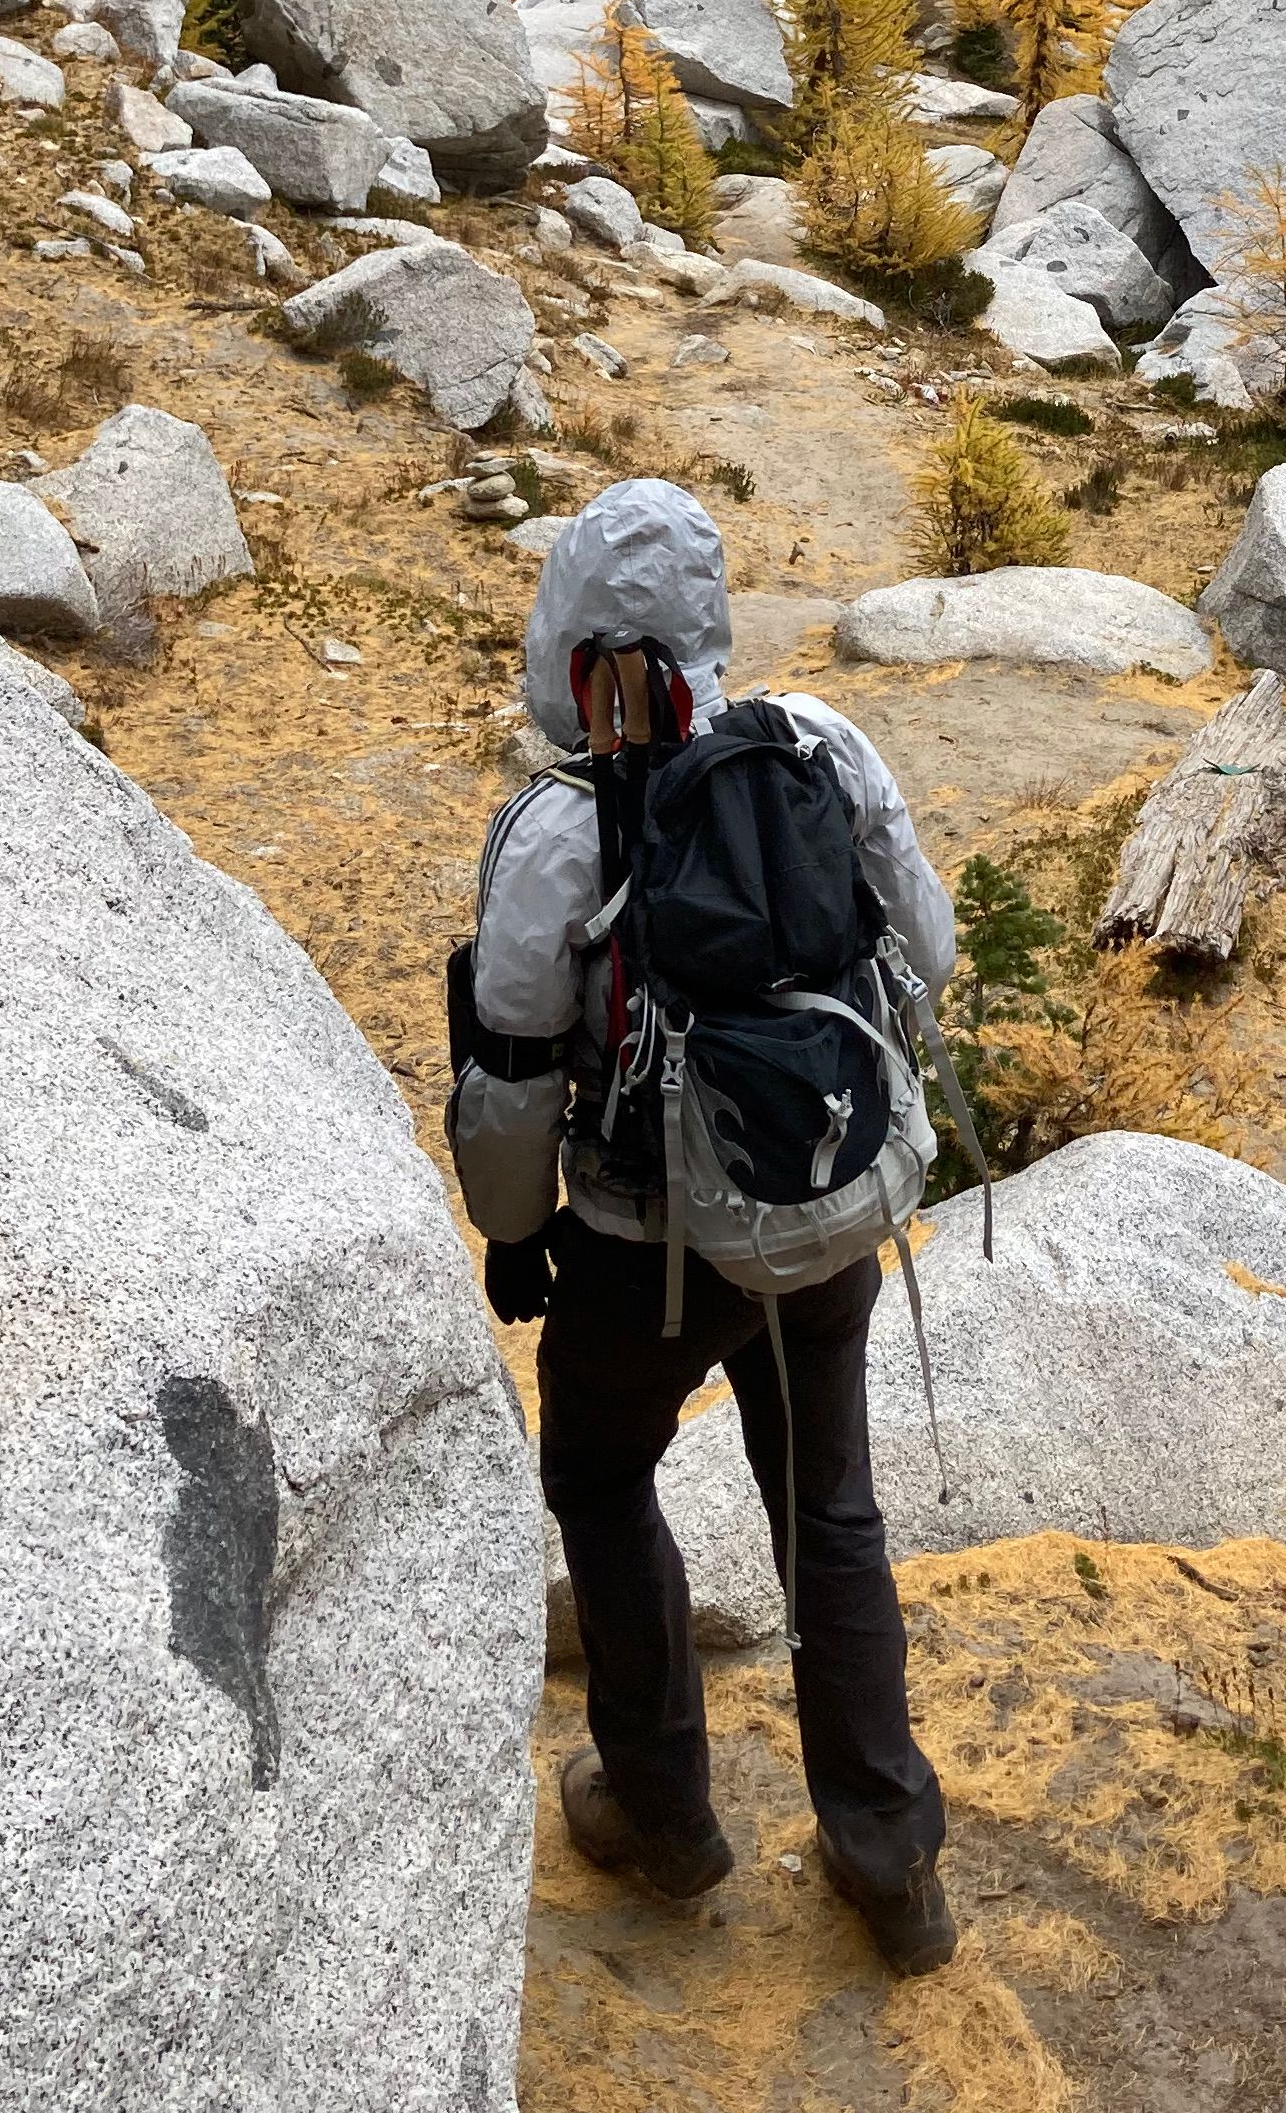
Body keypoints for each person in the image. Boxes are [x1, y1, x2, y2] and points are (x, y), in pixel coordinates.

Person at [451, 476, 962, 1976]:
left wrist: (512, 1229)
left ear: (569, 638)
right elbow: (923, 948)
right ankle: (891, 1860)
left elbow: (514, 1069)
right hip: (822, 1211)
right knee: (831, 1512)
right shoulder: (822, 746)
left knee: (602, 1475)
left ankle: (665, 1814)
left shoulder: (561, 827)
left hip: (644, 1247)